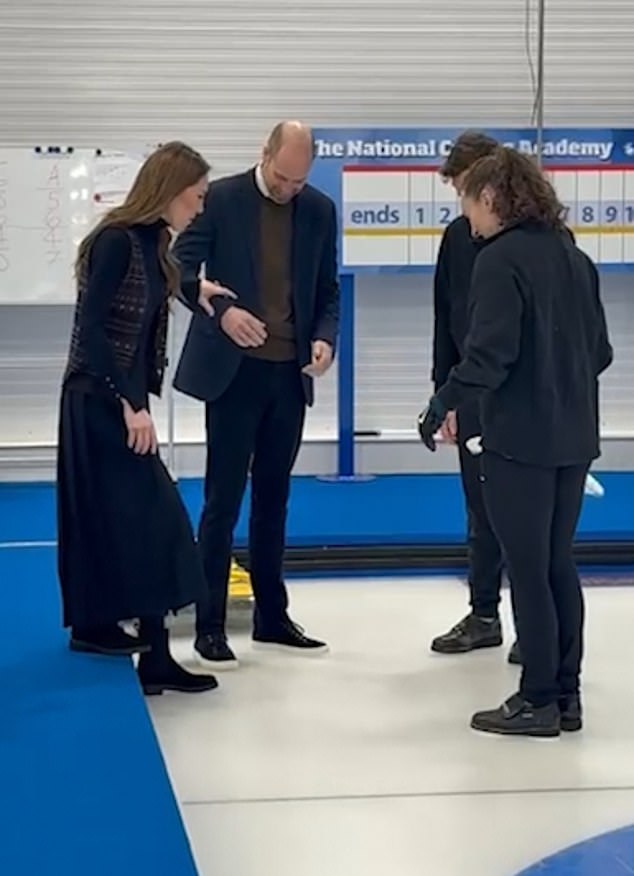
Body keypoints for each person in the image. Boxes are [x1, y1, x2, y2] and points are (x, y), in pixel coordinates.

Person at [418, 146, 613, 737]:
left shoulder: (499, 260)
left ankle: (536, 699)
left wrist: (441, 403)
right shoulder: (574, 256)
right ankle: (567, 696)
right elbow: (600, 352)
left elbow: (489, 355)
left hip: (519, 441)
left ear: (491, 199)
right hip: (574, 437)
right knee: (557, 564)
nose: (466, 219)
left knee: (527, 570)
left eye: (467, 203)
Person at [57, 141, 227, 696]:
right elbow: (94, 331)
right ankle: (99, 629)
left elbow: (164, 286)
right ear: (170, 190)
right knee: (154, 520)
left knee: (141, 524)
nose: (199, 209)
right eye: (196, 197)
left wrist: (199, 291)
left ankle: (151, 655)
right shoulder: (115, 242)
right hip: (97, 401)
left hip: (125, 401)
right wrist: (129, 405)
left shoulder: (156, 243)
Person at [172, 120, 339, 670]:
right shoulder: (220, 199)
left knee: (275, 498)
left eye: (299, 180)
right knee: (222, 500)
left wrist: (324, 337)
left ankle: (272, 616)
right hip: (235, 374)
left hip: (288, 376)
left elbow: (327, 290)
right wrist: (221, 311)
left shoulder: (317, 210)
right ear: (263, 155)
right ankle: (210, 623)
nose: (290, 188)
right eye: (282, 176)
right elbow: (178, 271)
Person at [431, 131, 520, 664]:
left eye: (468, 190)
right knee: (479, 509)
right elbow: (447, 320)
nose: (465, 205)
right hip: (471, 391)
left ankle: (533, 624)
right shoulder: (456, 239)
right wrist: (445, 397)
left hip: (520, 398)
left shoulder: (533, 244)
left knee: (526, 515)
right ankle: (484, 613)